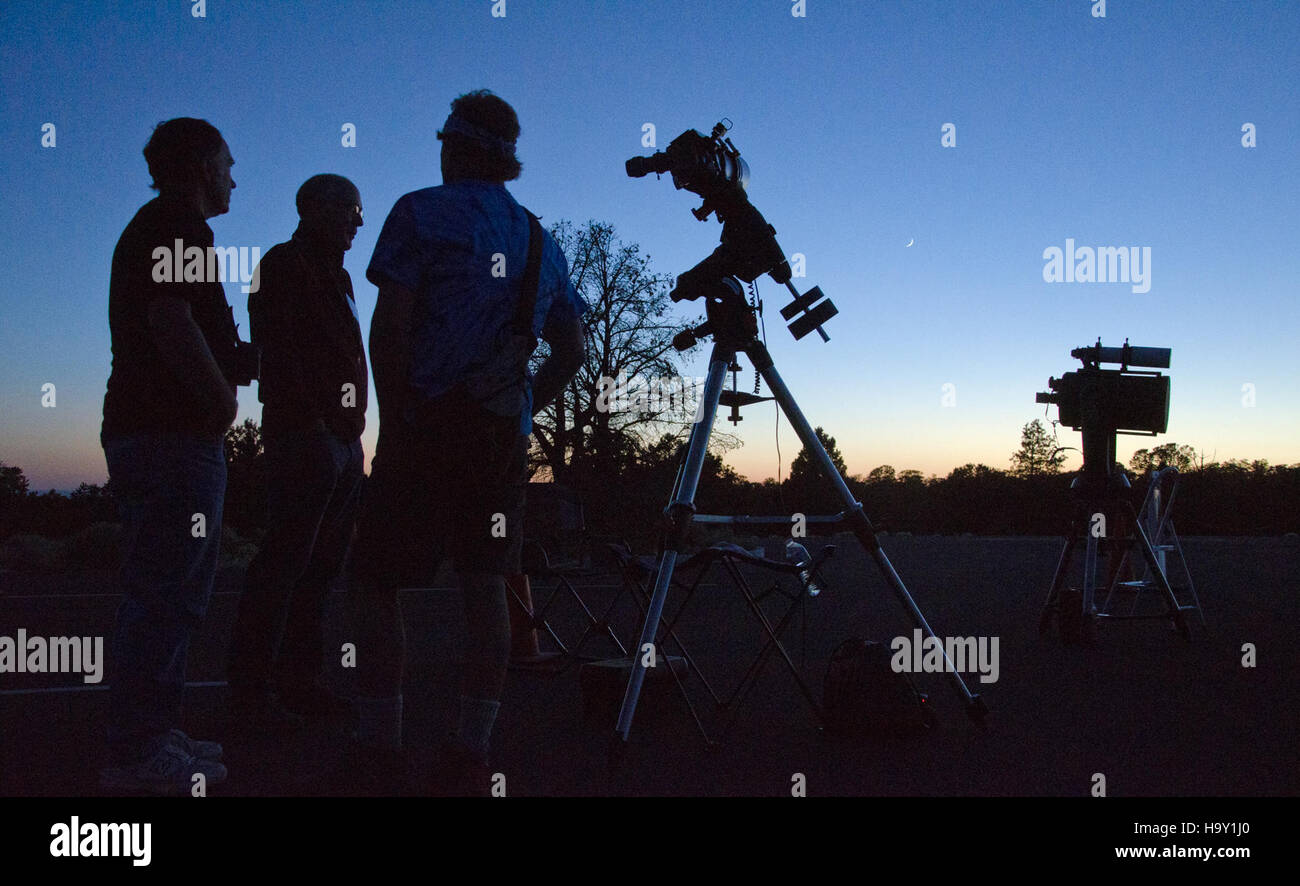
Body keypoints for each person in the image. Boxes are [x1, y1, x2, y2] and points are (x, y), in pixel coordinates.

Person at [349, 90, 586, 793]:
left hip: (423, 428)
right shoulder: (540, 238)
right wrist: (519, 409)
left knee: (374, 581)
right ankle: (469, 748)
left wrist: (395, 418)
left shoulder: (420, 212)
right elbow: (570, 350)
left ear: (455, 147)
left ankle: (378, 743)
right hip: (496, 441)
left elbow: (390, 328)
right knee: (487, 587)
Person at [99, 117, 253, 794]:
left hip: (149, 433)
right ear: (199, 166)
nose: (233, 176)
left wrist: (235, 358)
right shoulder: (178, 226)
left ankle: (152, 733)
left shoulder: (161, 227)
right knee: (169, 593)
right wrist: (220, 402)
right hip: (173, 437)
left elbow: (182, 321)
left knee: (163, 589)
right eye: (226, 163)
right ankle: (136, 753)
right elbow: (170, 319)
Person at [226, 175, 367, 728]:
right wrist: (318, 420)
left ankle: (298, 682)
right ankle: (253, 690)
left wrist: (353, 426)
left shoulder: (341, 275)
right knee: (287, 563)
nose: (359, 221)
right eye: (352, 209)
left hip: (341, 438)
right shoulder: (282, 266)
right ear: (314, 208)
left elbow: (346, 354)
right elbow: (280, 355)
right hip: (305, 436)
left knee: (321, 567)